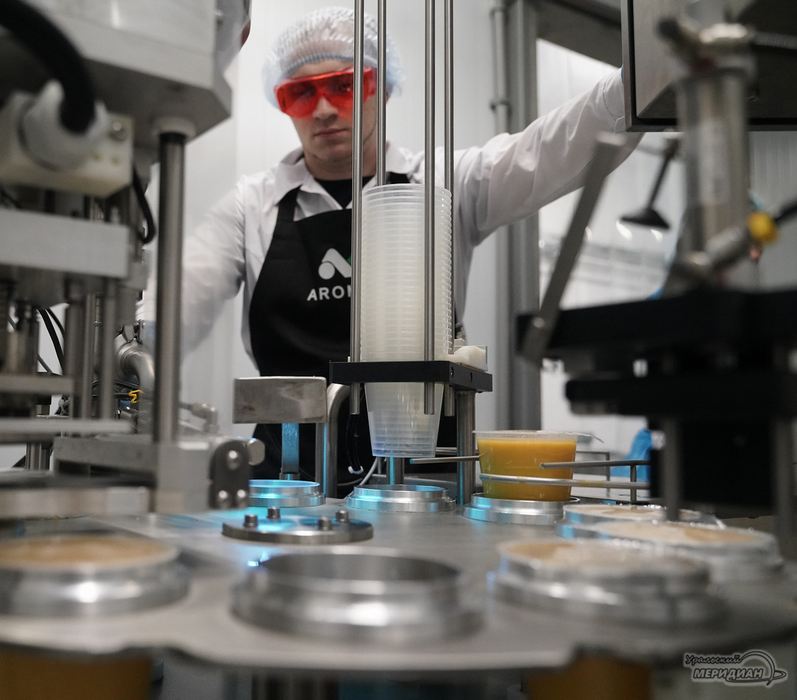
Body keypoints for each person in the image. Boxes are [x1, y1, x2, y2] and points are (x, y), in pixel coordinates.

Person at [174, 7, 639, 486]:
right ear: (284, 103)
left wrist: (639, 81)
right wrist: (136, 362)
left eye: (345, 85)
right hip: (287, 480)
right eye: (302, 93)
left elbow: (545, 150)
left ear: (382, 87)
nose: (324, 109)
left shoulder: (442, 184)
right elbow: (178, 300)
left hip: (424, 477)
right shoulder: (251, 206)